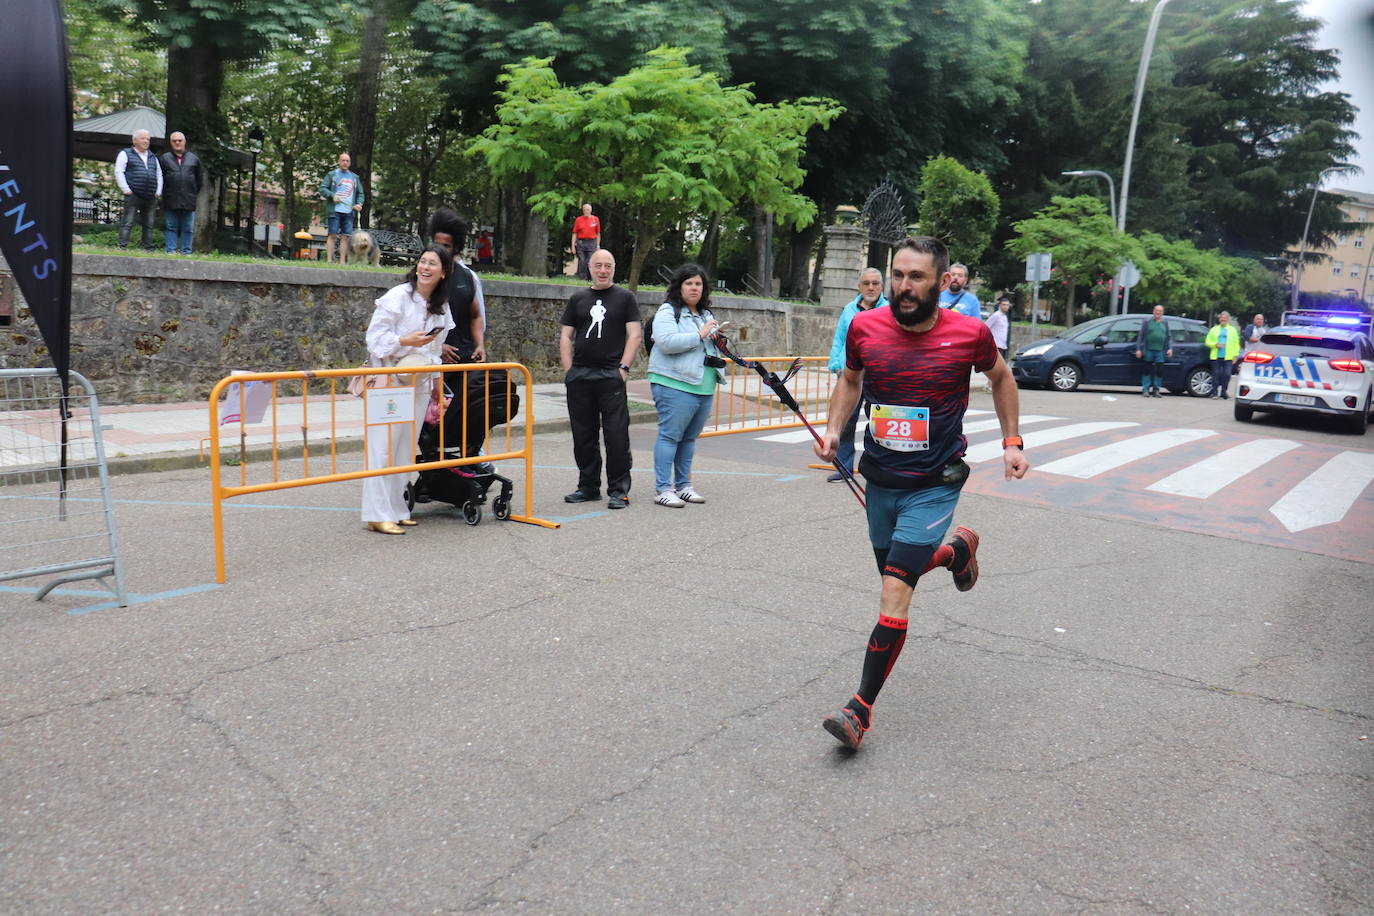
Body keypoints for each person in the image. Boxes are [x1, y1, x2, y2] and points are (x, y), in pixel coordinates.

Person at [814, 236, 1029, 750]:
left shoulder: (969, 332)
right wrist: (834, 429)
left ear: (940, 282)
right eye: (898, 275)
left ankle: (859, 709)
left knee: (894, 589)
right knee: (895, 570)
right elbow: (850, 379)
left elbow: (1002, 378)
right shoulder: (865, 327)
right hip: (881, 476)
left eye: (917, 278)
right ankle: (957, 552)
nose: (904, 287)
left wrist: (1012, 442)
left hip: (935, 483)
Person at [360, 245, 455, 534]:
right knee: (383, 447)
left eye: (432, 264)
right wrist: (405, 341)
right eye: (422, 262)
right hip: (389, 381)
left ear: (443, 273)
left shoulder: (441, 306)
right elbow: (374, 339)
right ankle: (376, 514)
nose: (425, 268)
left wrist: (438, 386)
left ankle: (397, 508)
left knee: (404, 447)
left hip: (420, 381)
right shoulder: (398, 297)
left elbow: (437, 350)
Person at [560, 249, 642, 509]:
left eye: (608, 265)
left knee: (616, 436)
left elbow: (635, 335)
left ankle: (618, 490)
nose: (603, 270)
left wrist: (624, 368)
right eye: (598, 265)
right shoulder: (578, 298)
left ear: (614, 268)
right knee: (583, 435)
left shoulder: (625, 298)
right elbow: (565, 336)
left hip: (610, 375)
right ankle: (588, 486)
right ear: (590, 268)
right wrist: (569, 370)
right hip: (580, 376)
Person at [647, 263, 725, 508]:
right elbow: (667, 342)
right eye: (689, 283)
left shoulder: (706, 314)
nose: (694, 288)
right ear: (679, 286)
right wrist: (700, 335)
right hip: (674, 383)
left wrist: (717, 339)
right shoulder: (668, 311)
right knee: (670, 436)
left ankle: (683, 486)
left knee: (689, 439)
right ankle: (663, 488)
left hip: (703, 383)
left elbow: (706, 345)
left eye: (698, 284)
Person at [825, 268, 888, 481]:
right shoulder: (849, 309)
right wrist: (834, 362)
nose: (871, 287)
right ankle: (843, 468)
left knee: (878, 422)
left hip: (878, 374)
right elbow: (839, 338)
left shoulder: (890, 310)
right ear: (859, 286)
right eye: (866, 283)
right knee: (845, 421)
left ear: (882, 286)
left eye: (875, 283)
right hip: (849, 373)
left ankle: (879, 467)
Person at [427, 208, 486, 362]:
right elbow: (412, 322)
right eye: (436, 243)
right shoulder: (422, 277)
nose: (439, 249)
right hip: (432, 361)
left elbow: (476, 315)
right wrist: (437, 345)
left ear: (456, 248)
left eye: (446, 246)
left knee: (501, 383)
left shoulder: (468, 277)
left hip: (466, 359)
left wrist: (480, 344)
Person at [114, 130, 162, 251]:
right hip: (133, 194)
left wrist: (158, 192)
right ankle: (122, 246)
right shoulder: (126, 153)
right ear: (134, 140)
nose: (146, 141)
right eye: (143, 138)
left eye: (148, 139)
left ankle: (148, 248)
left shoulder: (152, 157)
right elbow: (119, 171)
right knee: (128, 222)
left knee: (149, 224)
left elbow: (159, 174)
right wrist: (126, 189)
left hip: (150, 195)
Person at [158, 131, 202, 255]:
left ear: (184, 142)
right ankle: (170, 250)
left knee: (188, 228)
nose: (177, 143)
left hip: (188, 199)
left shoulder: (194, 159)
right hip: (170, 198)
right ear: (171, 143)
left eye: (180, 140)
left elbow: (199, 180)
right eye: (174, 141)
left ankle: (186, 251)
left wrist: (192, 192)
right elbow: (159, 177)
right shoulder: (164, 158)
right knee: (171, 226)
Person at [319, 152, 365, 264]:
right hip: (334, 211)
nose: (345, 163)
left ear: (350, 163)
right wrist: (332, 195)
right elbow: (322, 188)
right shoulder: (332, 175)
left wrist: (359, 203)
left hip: (349, 211)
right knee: (332, 235)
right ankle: (329, 260)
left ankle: (342, 261)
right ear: (339, 162)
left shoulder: (354, 177)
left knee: (346, 237)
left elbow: (361, 193)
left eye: (347, 161)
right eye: (343, 160)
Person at [1134, 305, 1173, 398]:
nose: (1158, 312)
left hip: (1160, 351)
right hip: (1148, 350)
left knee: (1159, 371)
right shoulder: (1147, 322)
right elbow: (1141, 336)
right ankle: (1145, 390)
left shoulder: (1165, 323)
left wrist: (1170, 348)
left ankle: (1156, 390)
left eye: (1160, 311)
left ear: (1162, 313)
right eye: (1156, 310)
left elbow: (1169, 337)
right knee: (1146, 370)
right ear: (1153, 311)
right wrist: (1138, 349)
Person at [1205, 311, 1241, 399]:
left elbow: (1236, 343)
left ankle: (1224, 391)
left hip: (1228, 356)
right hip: (1216, 355)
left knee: (1227, 374)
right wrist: (1215, 344)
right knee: (1216, 374)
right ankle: (1214, 392)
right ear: (1219, 319)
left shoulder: (1232, 330)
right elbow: (1207, 342)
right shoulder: (1214, 329)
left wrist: (1235, 355)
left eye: (1225, 319)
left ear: (1228, 320)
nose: (1223, 320)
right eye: (1222, 318)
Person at [571, 203, 601, 281]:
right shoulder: (578, 220)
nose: (586, 211)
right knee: (582, 260)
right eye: (584, 210)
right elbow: (574, 233)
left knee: (590, 260)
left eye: (587, 210)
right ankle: (582, 278)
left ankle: (590, 278)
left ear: (591, 210)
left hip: (592, 242)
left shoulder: (595, 219)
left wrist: (598, 245)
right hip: (581, 242)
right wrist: (573, 246)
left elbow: (598, 233)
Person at [986, 296, 1011, 360]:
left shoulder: (1005, 317)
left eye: (1007, 305)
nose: (1006, 307)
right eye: (1004, 305)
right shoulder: (996, 315)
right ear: (1000, 305)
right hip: (995, 346)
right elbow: (986, 327)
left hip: (1003, 346)